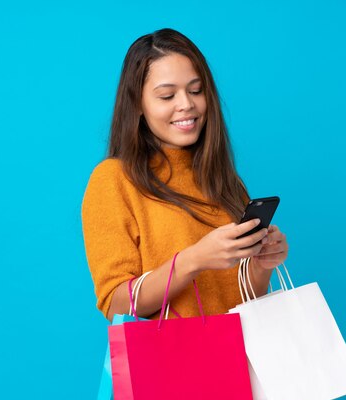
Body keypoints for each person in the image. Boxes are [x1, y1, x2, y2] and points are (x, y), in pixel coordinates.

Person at [82, 28, 288, 321]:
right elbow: (116, 305)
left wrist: (262, 263)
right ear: (138, 104)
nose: (186, 104)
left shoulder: (224, 180)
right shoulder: (114, 180)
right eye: (167, 95)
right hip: (173, 364)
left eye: (195, 90)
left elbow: (242, 300)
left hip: (237, 361)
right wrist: (193, 260)